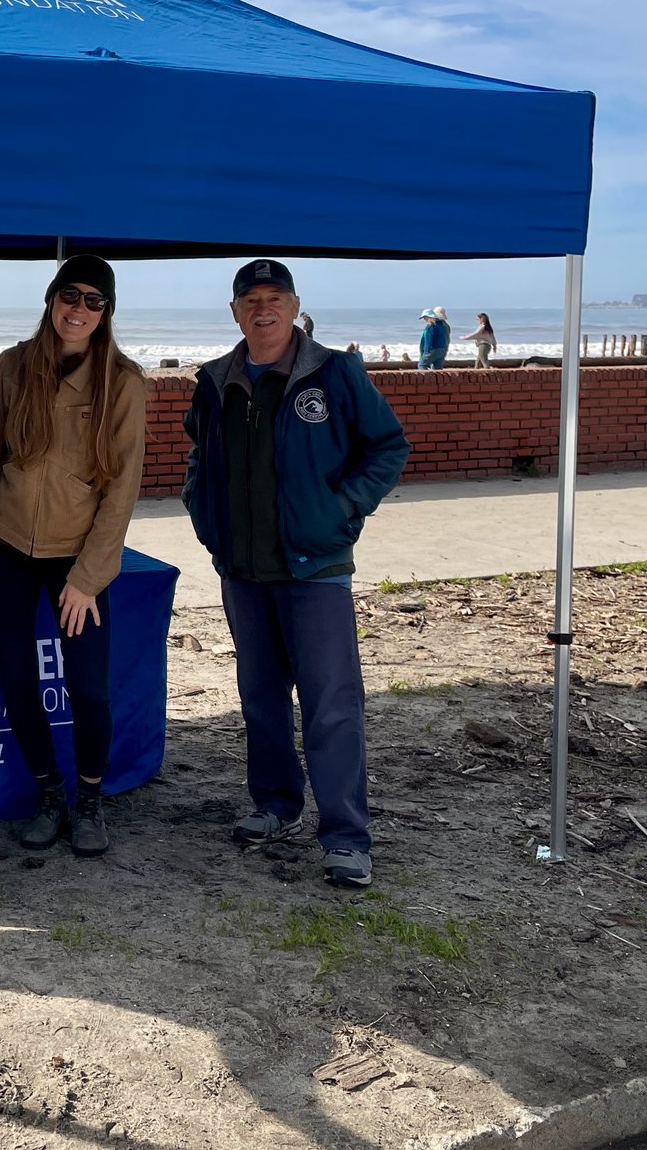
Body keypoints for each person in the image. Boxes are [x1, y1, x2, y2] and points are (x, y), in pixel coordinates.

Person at [182, 258, 409, 888]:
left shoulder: (333, 373)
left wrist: (342, 508)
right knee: (260, 699)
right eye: (250, 299)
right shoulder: (215, 381)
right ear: (235, 312)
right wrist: (207, 518)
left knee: (331, 705)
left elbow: (387, 446)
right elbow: (200, 456)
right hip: (244, 572)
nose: (263, 309)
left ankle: (344, 835)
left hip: (316, 570)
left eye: (274, 297)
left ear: (294, 305)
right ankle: (275, 806)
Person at [0, 256, 145, 858]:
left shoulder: (123, 381)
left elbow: (122, 491)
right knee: (16, 679)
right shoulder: (14, 366)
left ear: (106, 313)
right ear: (51, 299)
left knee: (89, 690)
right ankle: (50, 794)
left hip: (76, 559)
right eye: (69, 295)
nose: (78, 309)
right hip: (5, 546)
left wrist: (87, 579)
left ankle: (90, 800)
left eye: (93, 301)